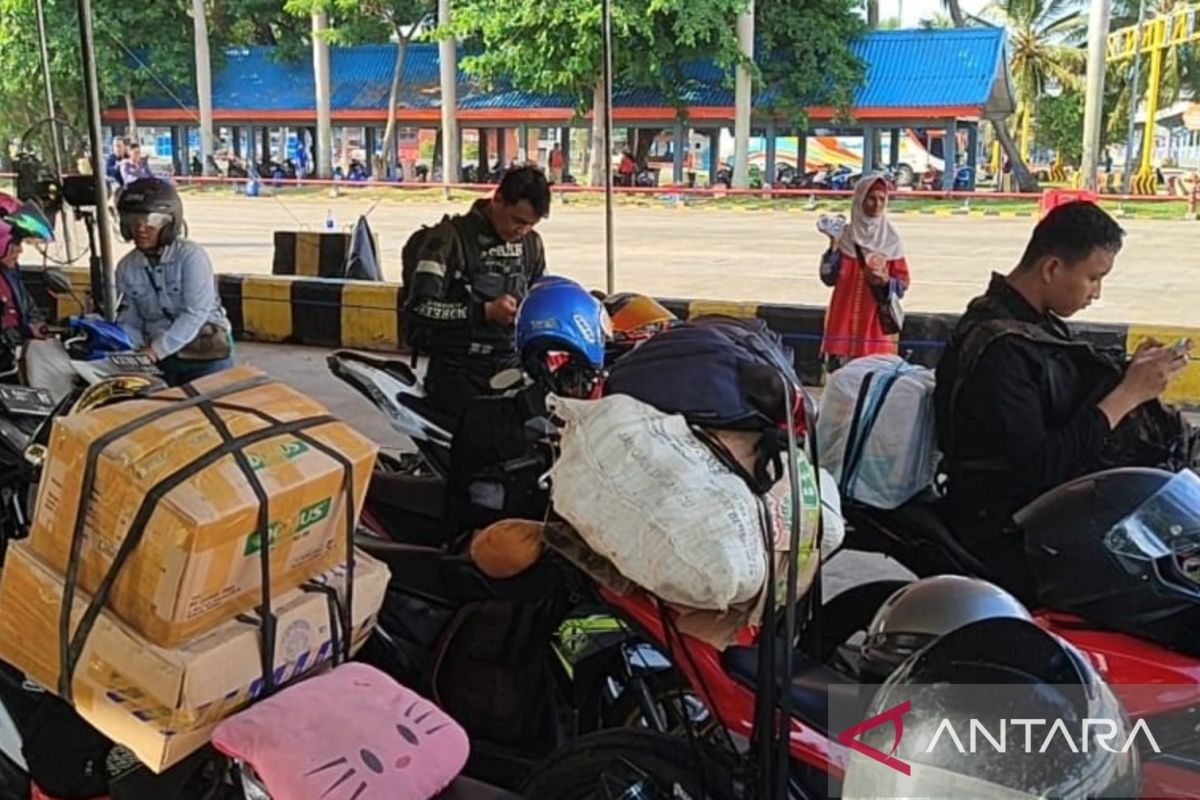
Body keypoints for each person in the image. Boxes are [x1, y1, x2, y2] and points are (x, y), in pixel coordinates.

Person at [935, 201, 1190, 592]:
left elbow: (1064, 398)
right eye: (1093, 278)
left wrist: (1129, 373)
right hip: (1006, 527)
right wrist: (1127, 395)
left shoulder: (1033, 322)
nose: (1096, 293)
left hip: (1048, 507)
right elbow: (1040, 465)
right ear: (1052, 268)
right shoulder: (999, 348)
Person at [403, 164, 549, 419]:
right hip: (457, 374)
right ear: (498, 199)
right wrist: (484, 312)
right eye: (517, 220)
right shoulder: (448, 239)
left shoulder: (531, 244)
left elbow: (541, 293)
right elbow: (419, 308)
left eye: (530, 224)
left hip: (512, 369)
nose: (521, 231)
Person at [114, 177, 233, 387]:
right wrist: (133, 352)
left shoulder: (191, 256)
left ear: (169, 222)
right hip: (158, 361)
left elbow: (195, 313)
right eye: (133, 220)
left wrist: (156, 351)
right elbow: (130, 319)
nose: (141, 228)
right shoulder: (126, 267)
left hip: (204, 355)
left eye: (151, 221)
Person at [818, 172, 911, 371]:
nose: (877, 204)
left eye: (881, 199)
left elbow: (903, 282)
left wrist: (886, 282)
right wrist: (833, 246)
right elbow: (828, 278)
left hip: (875, 326)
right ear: (860, 200)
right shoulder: (844, 237)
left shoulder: (891, 240)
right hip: (842, 321)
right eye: (871, 198)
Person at [0, 195, 53, 360]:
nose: (20, 251)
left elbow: (29, 309)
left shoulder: (10, 273)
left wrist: (42, 328)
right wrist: (24, 332)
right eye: (15, 242)